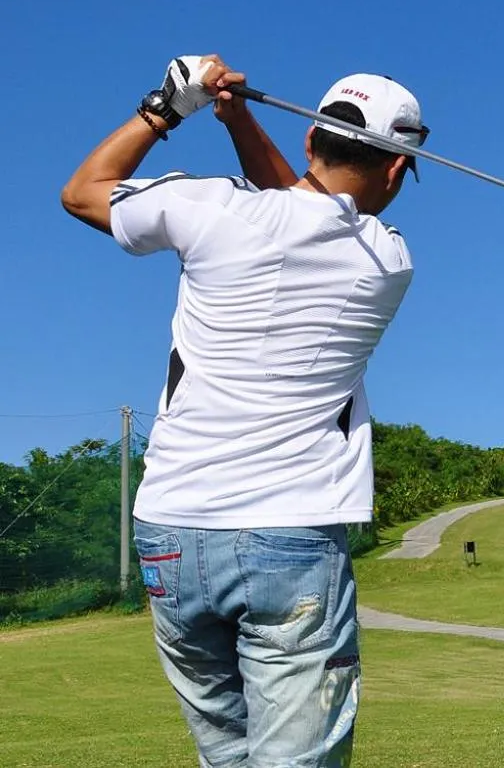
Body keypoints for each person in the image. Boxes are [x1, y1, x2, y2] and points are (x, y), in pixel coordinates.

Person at [60, 54, 428, 766]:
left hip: (171, 530)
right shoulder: (386, 261)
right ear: (393, 172)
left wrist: (171, 107)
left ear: (311, 140)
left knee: (225, 755)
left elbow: (84, 192)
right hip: (291, 536)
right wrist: (238, 121)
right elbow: (304, 206)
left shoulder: (209, 207)